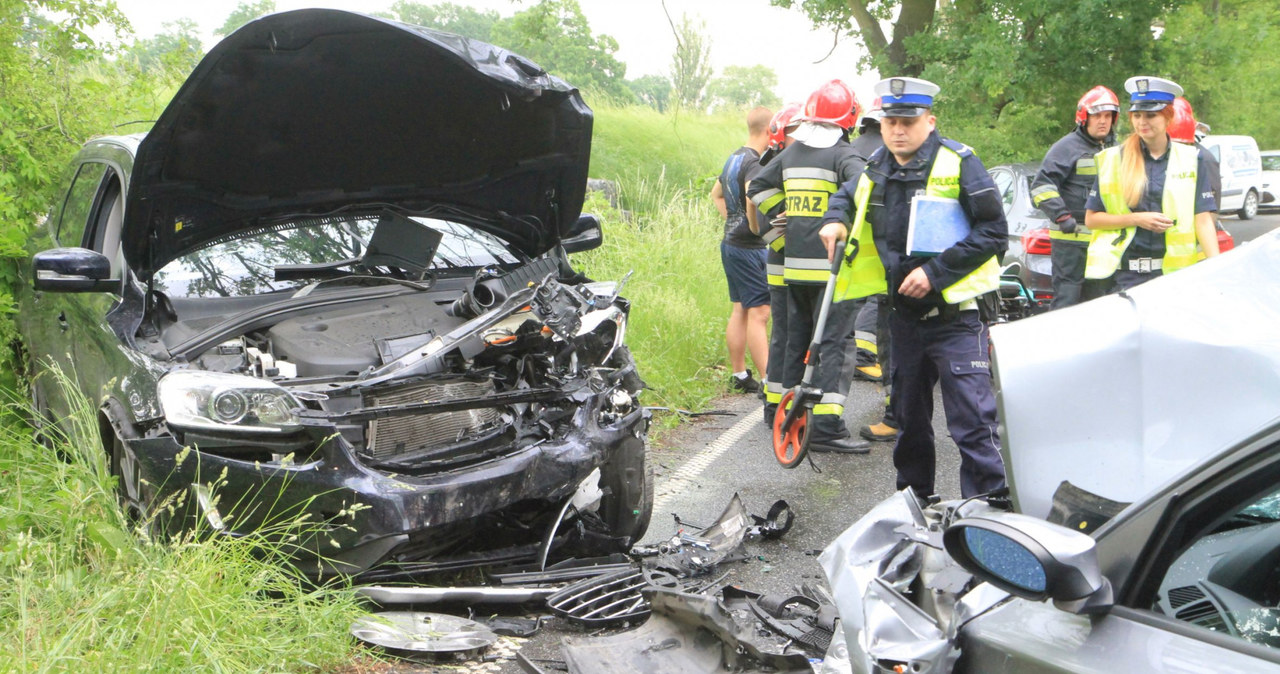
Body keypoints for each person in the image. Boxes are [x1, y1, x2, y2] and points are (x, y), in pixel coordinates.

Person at [819, 76, 1008, 498]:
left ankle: (990, 511)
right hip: (901, 319)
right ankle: (916, 502)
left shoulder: (959, 162)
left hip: (956, 318)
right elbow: (845, 197)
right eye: (890, 122)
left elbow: (995, 232)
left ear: (930, 120)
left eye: (908, 121)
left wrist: (935, 274)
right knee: (909, 423)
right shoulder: (877, 165)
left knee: (973, 423)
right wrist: (834, 219)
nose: (898, 130)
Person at [749, 80, 870, 454]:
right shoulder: (844, 155)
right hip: (831, 271)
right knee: (834, 343)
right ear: (849, 118)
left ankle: (780, 412)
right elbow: (865, 189)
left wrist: (784, 229)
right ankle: (826, 427)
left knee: (791, 339)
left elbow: (757, 187)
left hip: (792, 267)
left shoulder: (791, 152)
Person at [1083, 77, 1220, 292]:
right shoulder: (1113, 160)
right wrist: (1136, 219)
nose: (1141, 122)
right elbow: (1091, 220)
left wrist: (1217, 270)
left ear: (1168, 117)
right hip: (1125, 278)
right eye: (1136, 115)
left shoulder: (1192, 159)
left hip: (1176, 278)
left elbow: (1203, 221)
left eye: (1150, 115)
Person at [1030, 86, 1118, 309]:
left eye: (1108, 116)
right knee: (1067, 302)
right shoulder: (1066, 148)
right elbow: (1041, 186)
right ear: (1084, 117)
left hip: (1103, 243)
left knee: (1100, 303)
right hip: (1071, 244)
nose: (1103, 121)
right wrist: (1062, 216)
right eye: (1097, 115)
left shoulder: (1117, 151)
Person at [848, 96, 899, 444]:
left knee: (888, 340)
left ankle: (898, 414)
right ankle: (898, 413)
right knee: (895, 340)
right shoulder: (887, 156)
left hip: (858, 262)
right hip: (898, 266)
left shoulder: (850, 151)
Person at [710, 106, 772, 393]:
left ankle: (739, 374)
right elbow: (752, 195)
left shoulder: (734, 157)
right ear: (770, 131)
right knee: (760, 312)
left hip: (731, 244)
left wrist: (733, 219)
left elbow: (716, 193)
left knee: (741, 309)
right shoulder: (756, 163)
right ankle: (770, 382)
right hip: (748, 247)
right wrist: (754, 226)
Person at [751, 102, 803, 424]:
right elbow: (760, 223)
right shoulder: (772, 167)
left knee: (788, 334)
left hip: (797, 261)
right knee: (785, 333)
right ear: (781, 138)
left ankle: (778, 404)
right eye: (798, 136)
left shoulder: (789, 163)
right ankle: (776, 407)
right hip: (784, 260)